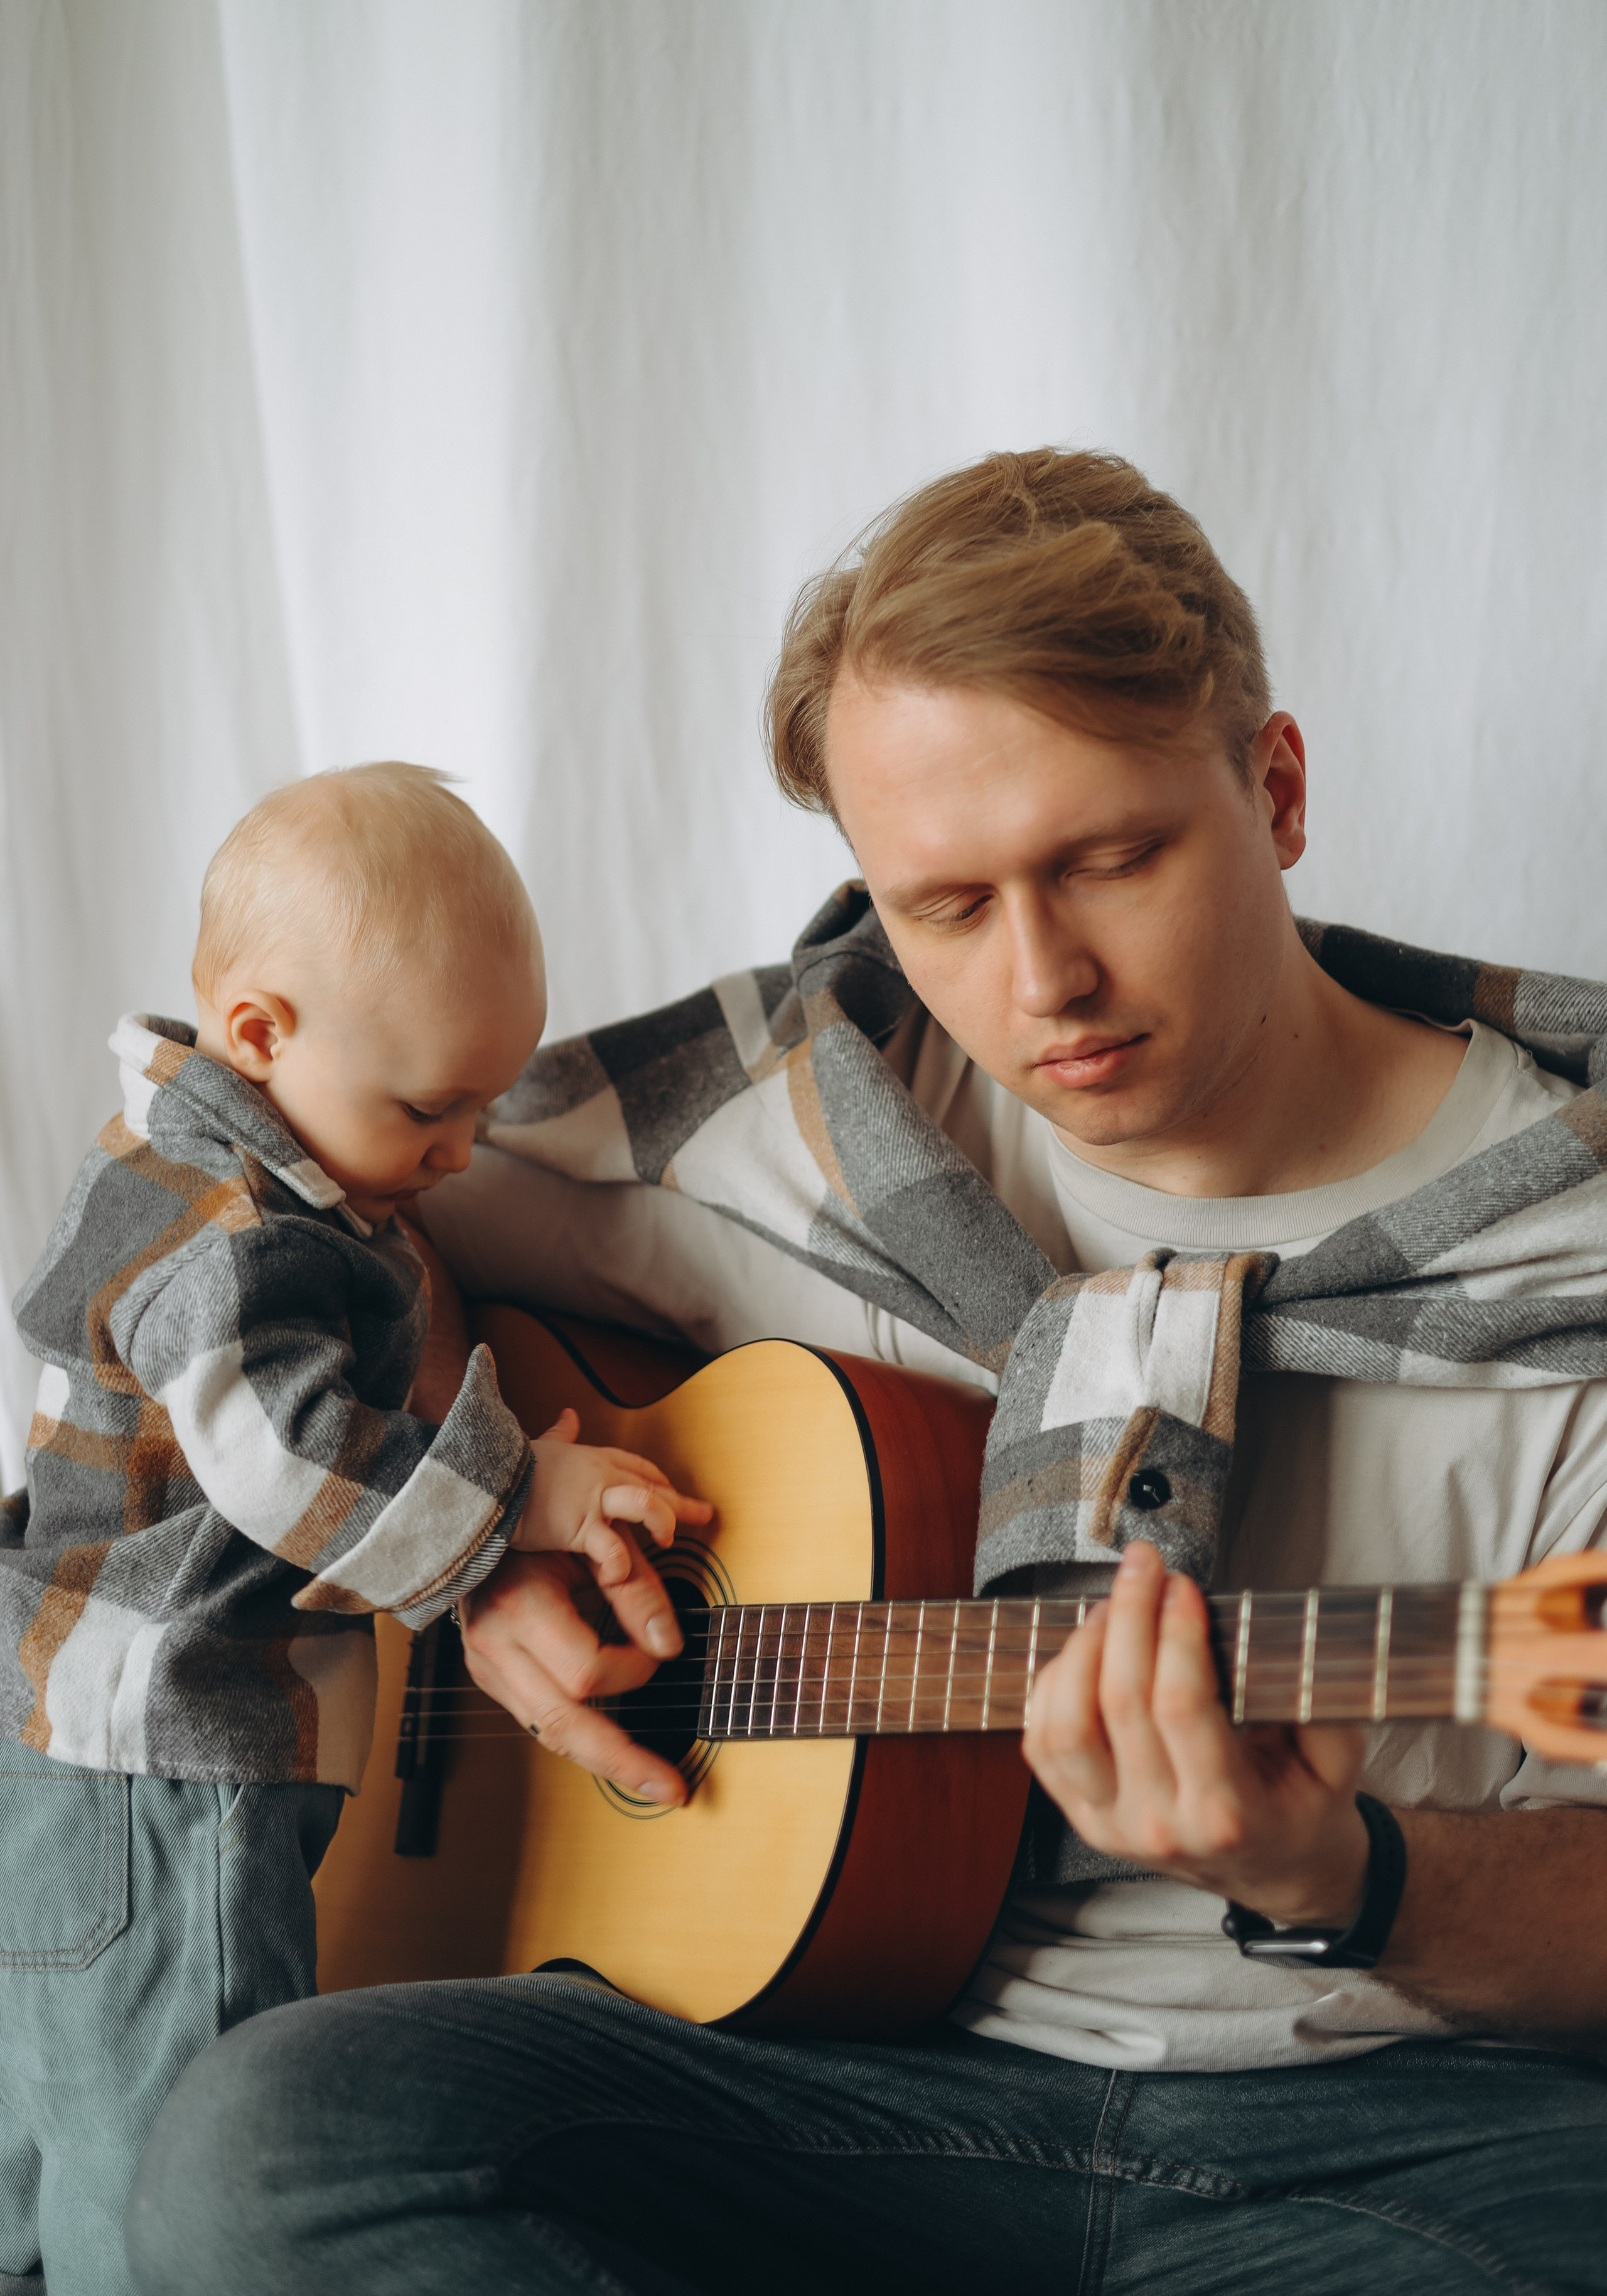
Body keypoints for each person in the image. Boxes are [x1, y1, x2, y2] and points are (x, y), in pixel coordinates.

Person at [127, 458, 1607, 2293]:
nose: (1045, 979)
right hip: (821, 2078)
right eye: (946, 906)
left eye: (1111, 859)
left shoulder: (1576, 1254)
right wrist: (476, 1536)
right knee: (274, 2141)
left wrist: (1342, 1873)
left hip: (1407, 2130)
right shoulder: (799, 1123)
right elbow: (281, 1213)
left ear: (1276, 788)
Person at [2, 762, 702, 2296]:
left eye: (481, 1106)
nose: (459, 1154)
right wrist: (520, 1491)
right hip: (165, 1760)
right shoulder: (236, 1235)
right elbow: (279, 1461)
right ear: (262, 1036)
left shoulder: (183, 1163)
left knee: (57, 2124)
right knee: (173, 2150)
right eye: (427, 1108)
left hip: (72, 1748)